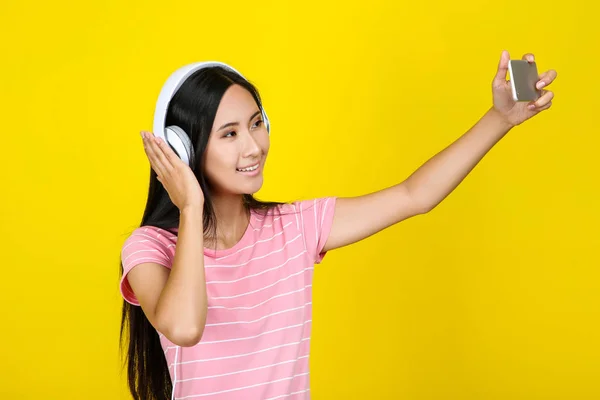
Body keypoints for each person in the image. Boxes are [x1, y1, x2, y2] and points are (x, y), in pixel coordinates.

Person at [118, 51, 557, 400]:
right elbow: (184, 327)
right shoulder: (149, 248)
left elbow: (413, 196)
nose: (253, 146)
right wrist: (190, 207)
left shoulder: (295, 227)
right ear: (182, 149)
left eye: (256, 124)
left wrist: (500, 119)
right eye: (229, 134)